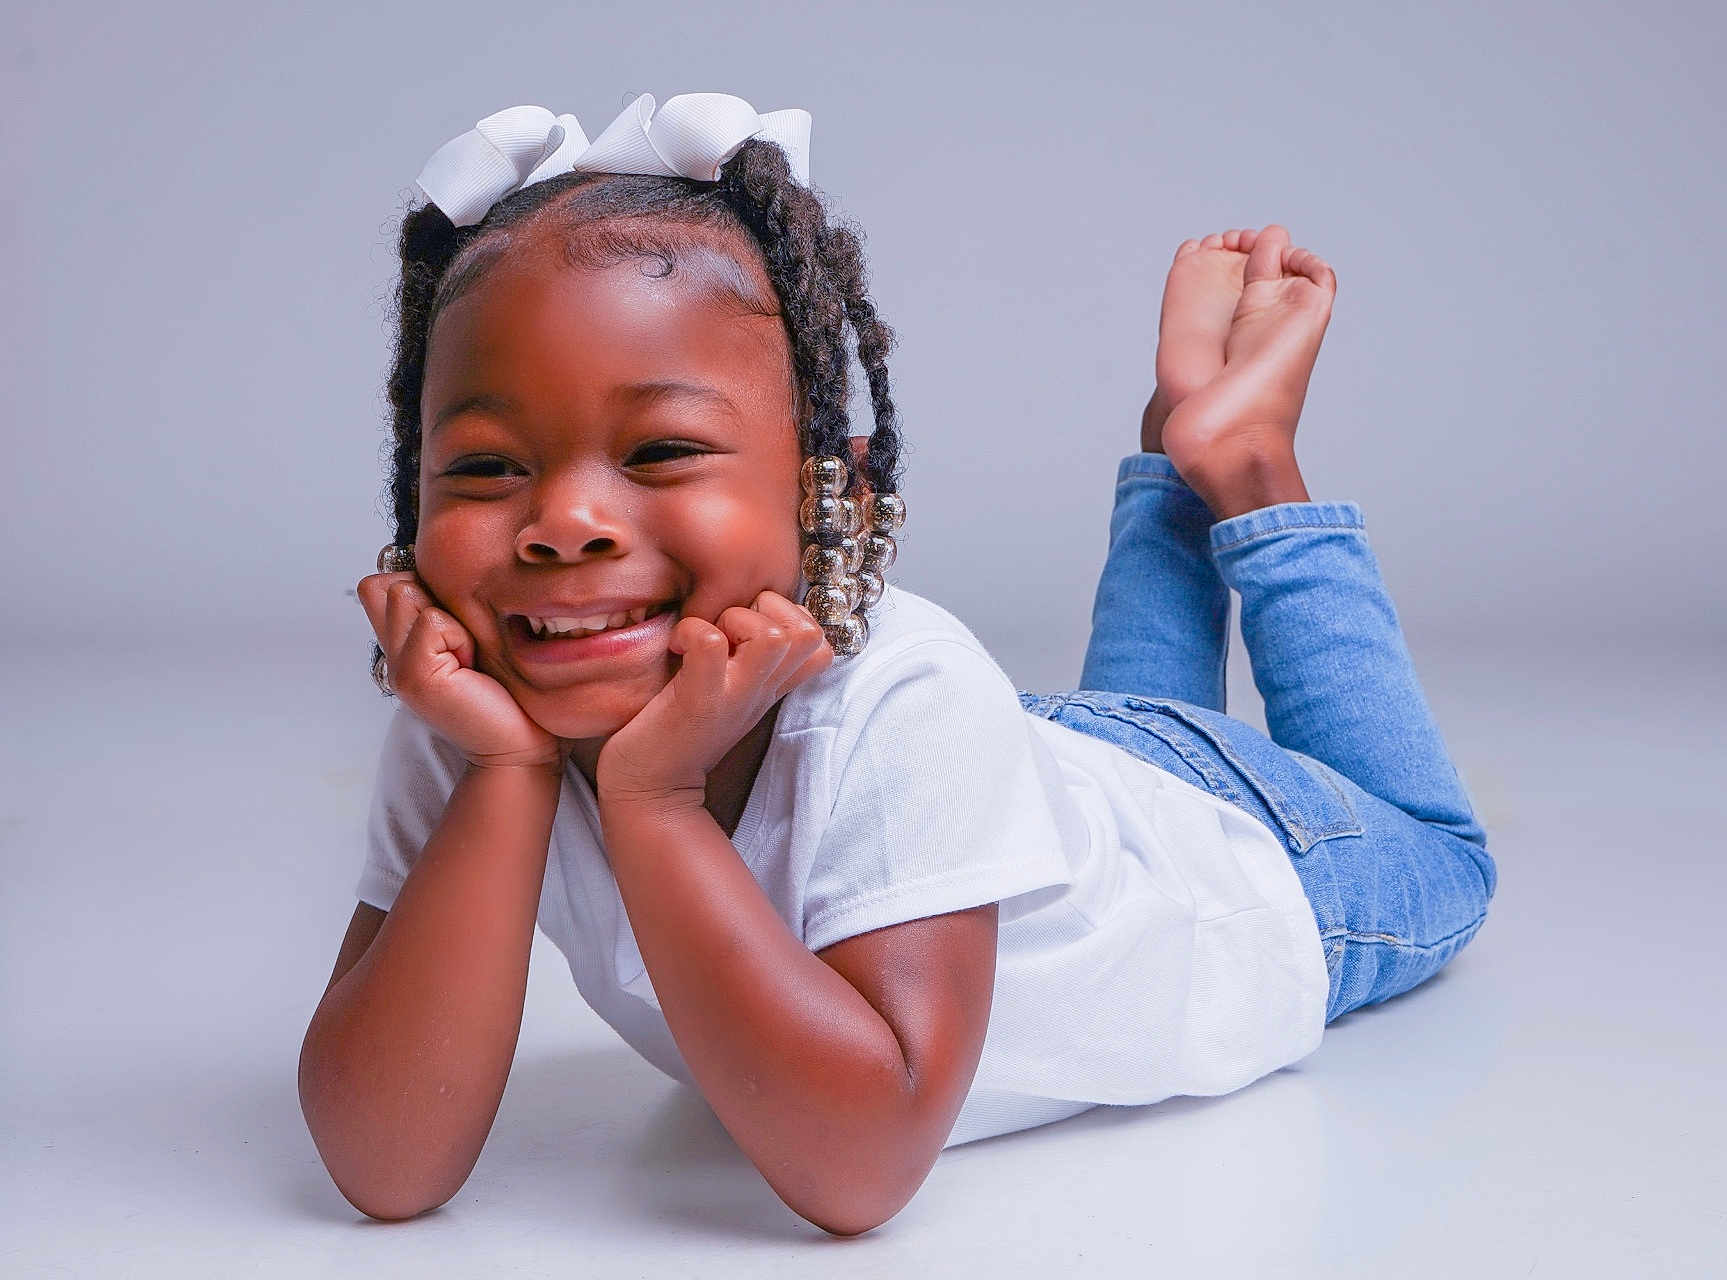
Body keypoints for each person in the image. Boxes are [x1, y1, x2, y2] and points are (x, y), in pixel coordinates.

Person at [297, 91, 1498, 1237]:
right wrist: (506, 771)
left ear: (839, 491)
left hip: (1239, 863)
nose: (564, 521)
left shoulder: (909, 693)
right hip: (1068, 770)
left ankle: (1241, 465)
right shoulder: (469, 719)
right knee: (1120, 722)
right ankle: (1180, 443)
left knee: (1442, 857)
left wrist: (655, 802)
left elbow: (861, 1163)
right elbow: (385, 1163)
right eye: (486, 468)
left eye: (660, 448)